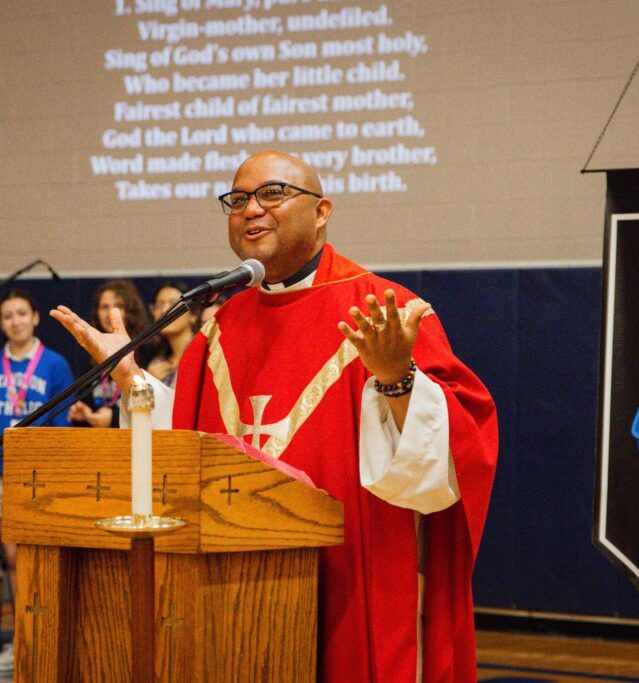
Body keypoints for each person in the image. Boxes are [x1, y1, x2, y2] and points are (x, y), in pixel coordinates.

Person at [52, 151, 498, 682]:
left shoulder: (383, 310)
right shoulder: (220, 327)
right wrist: (131, 379)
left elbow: (456, 451)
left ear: (323, 211)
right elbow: (188, 444)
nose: (251, 210)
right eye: (238, 200)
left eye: (272, 194)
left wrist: (395, 378)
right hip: (233, 588)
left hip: (353, 579)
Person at [0, 288, 73, 673]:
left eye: (22, 313)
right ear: (0, 324)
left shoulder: (55, 365)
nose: (16, 321)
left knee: (43, 558)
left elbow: (62, 424)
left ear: (36, 317)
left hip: (40, 476)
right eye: (8, 315)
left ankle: (48, 637)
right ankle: (21, 637)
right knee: (13, 559)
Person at [67, 279, 151, 428]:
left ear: (130, 310)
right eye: (104, 307)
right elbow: (87, 403)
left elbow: (154, 407)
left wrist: (113, 418)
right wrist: (85, 413)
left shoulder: (149, 353)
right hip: (99, 443)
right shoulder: (91, 358)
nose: (110, 313)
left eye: (118, 306)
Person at [144, 281, 200, 387]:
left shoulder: (204, 355)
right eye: (159, 305)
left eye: (173, 304)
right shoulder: (156, 362)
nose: (165, 310)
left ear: (193, 315)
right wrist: (149, 382)